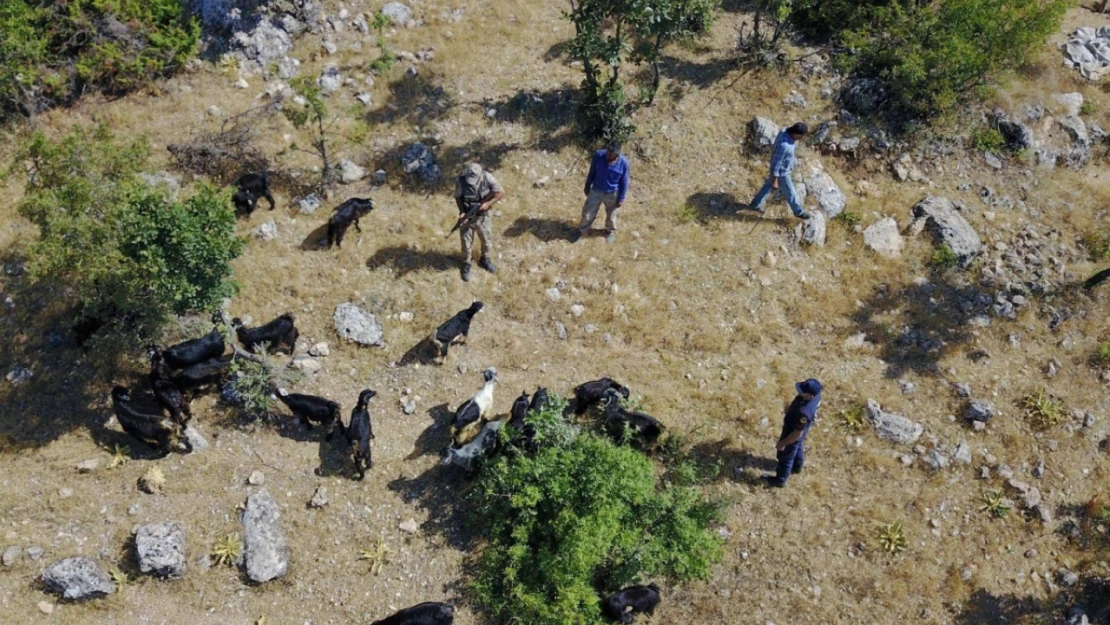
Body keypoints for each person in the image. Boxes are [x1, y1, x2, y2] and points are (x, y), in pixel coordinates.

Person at [764, 378, 823, 488]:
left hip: (792, 432)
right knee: (798, 446)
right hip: (799, 429)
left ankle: (780, 480)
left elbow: (796, 434)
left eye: (802, 392)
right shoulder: (817, 394)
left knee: (786, 456)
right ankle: (797, 466)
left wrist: (783, 443)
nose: (799, 393)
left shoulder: (803, 413)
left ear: (810, 396)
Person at [746, 122, 811, 220]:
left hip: (783, 170)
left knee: (767, 187)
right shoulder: (784, 146)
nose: (801, 138)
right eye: (801, 136)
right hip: (782, 174)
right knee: (791, 193)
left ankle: (755, 204)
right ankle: (798, 212)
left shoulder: (784, 131)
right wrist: (775, 180)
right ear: (795, 134)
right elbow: (775, 164)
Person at [454, 163, 505, 282]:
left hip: (483, 217)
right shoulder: (461, 180)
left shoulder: (488, 178)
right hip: (468, 214)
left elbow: (501, 192)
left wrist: (487, 204)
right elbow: (458, 197)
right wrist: (462, 212)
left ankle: (485, 259)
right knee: (466, 242)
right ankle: (466, 263)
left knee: (486, 240)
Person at [572, 143, 630, 244]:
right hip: (596, 191)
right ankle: (583, 231)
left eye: (610, 155)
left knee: (612, 215)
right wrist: (587, 185)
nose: (607, 156)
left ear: (617, 155)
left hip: (612, 193)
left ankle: (610, 232)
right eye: (607, 153)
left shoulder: (624, 163)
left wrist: (621, 198)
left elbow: (624, 182)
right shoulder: (598, 156)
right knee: (588, 212)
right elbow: (592, 172)